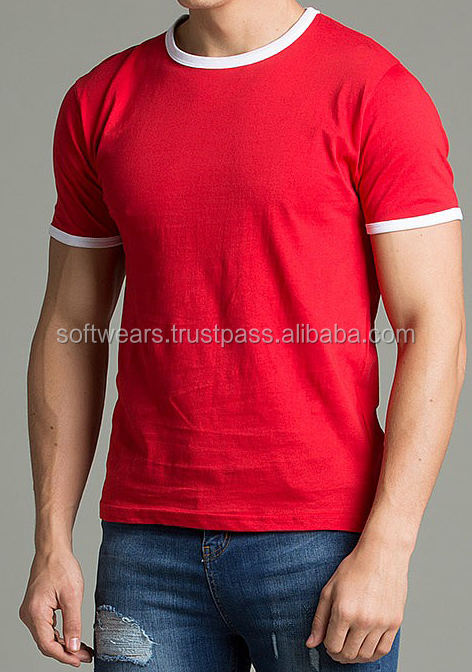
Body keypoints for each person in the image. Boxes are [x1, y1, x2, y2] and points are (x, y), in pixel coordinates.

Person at [19, 1, 465, 670]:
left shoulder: (373, 90)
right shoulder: (100, 100)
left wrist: (390, 545)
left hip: (321, 541)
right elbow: (68, 324)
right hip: (145, 545)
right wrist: (51, 539)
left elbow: (434, 326)